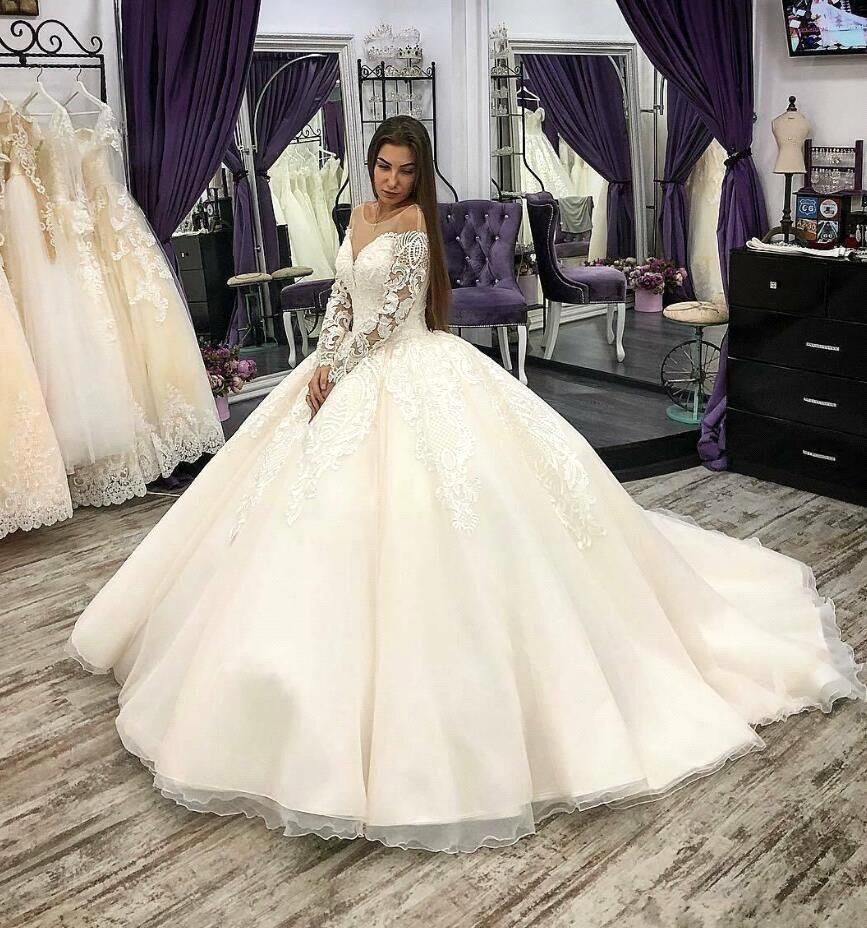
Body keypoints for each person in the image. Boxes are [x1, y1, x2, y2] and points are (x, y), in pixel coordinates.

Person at [66, 115, 865, 855]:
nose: (390, 181)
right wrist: (323, 361)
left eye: (404, 170)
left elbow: (391, 317)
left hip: (405, 366)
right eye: (382, 167)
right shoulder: (361, 216)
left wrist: (341, 368)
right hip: (342, 366)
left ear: (420, 175)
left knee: (446, 520)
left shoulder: (414, 229)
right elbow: (345, 297)